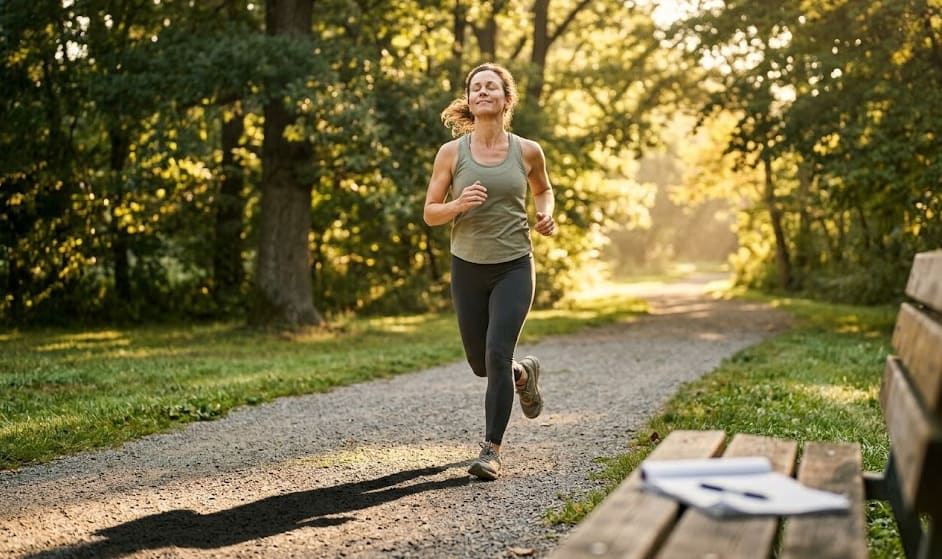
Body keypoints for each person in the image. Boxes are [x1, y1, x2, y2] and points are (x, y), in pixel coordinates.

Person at [423, 62, 556, 480]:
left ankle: (490, 451)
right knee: (482, 364)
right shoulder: (451, 153)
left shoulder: (527, 150)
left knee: (496, 353)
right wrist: (458, 205)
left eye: (491, 87)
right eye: (476, 87)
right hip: (468, 267)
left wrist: (544, 214)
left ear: (505, 99)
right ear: (469, 98)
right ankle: (522, 372)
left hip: (514, 265)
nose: (482, 92)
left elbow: (544, 190)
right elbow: (430, 213)